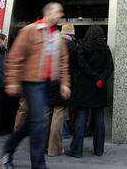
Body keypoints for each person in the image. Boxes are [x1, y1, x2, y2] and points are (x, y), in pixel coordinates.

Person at [2, 2, 71, 169]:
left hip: (48, 84)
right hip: (32, 82)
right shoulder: (30, 30)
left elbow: (63, 62)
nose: (60, 14)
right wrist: (11, 81)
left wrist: (65, 83)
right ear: (47, 12)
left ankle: (8, 150)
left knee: (32, 123)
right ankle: (39, 165)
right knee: (40, 123)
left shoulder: (57, 37)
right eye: (57, 11)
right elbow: (15, 57)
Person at [66, 25, 114, 158]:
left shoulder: (82, 47)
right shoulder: (106, 49)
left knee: (81, 117)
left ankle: (76, 151)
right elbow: (110, 68)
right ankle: (99, 150)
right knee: (99, 118)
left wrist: (94, 77)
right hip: (99, 87)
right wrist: (101, 79)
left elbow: (81, 65)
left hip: (85, 87)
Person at [45, 24, 77, 156]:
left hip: (48, 83)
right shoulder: (73, 47)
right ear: (72, 34)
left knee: (46, 116)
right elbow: (75, 68)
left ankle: (41, 147)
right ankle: (54, 149)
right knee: (58, 117)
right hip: (62, 85)